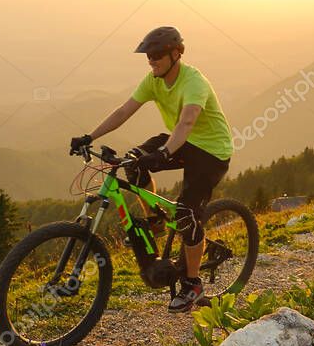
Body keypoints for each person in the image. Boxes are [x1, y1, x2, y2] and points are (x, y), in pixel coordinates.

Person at [69, 26, 232, 313]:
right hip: (182, 142)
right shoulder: (153, 80)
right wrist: (90, 137)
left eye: (157, 55)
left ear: (176, 54)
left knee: (186, 215)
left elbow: (187, 122)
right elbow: (123, 111)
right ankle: (155, 220)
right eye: (148, 56)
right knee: (133, 162)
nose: (151, 60)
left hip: (211, 151)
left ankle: (193, 284)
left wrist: (165, 153)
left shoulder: (194, 82)